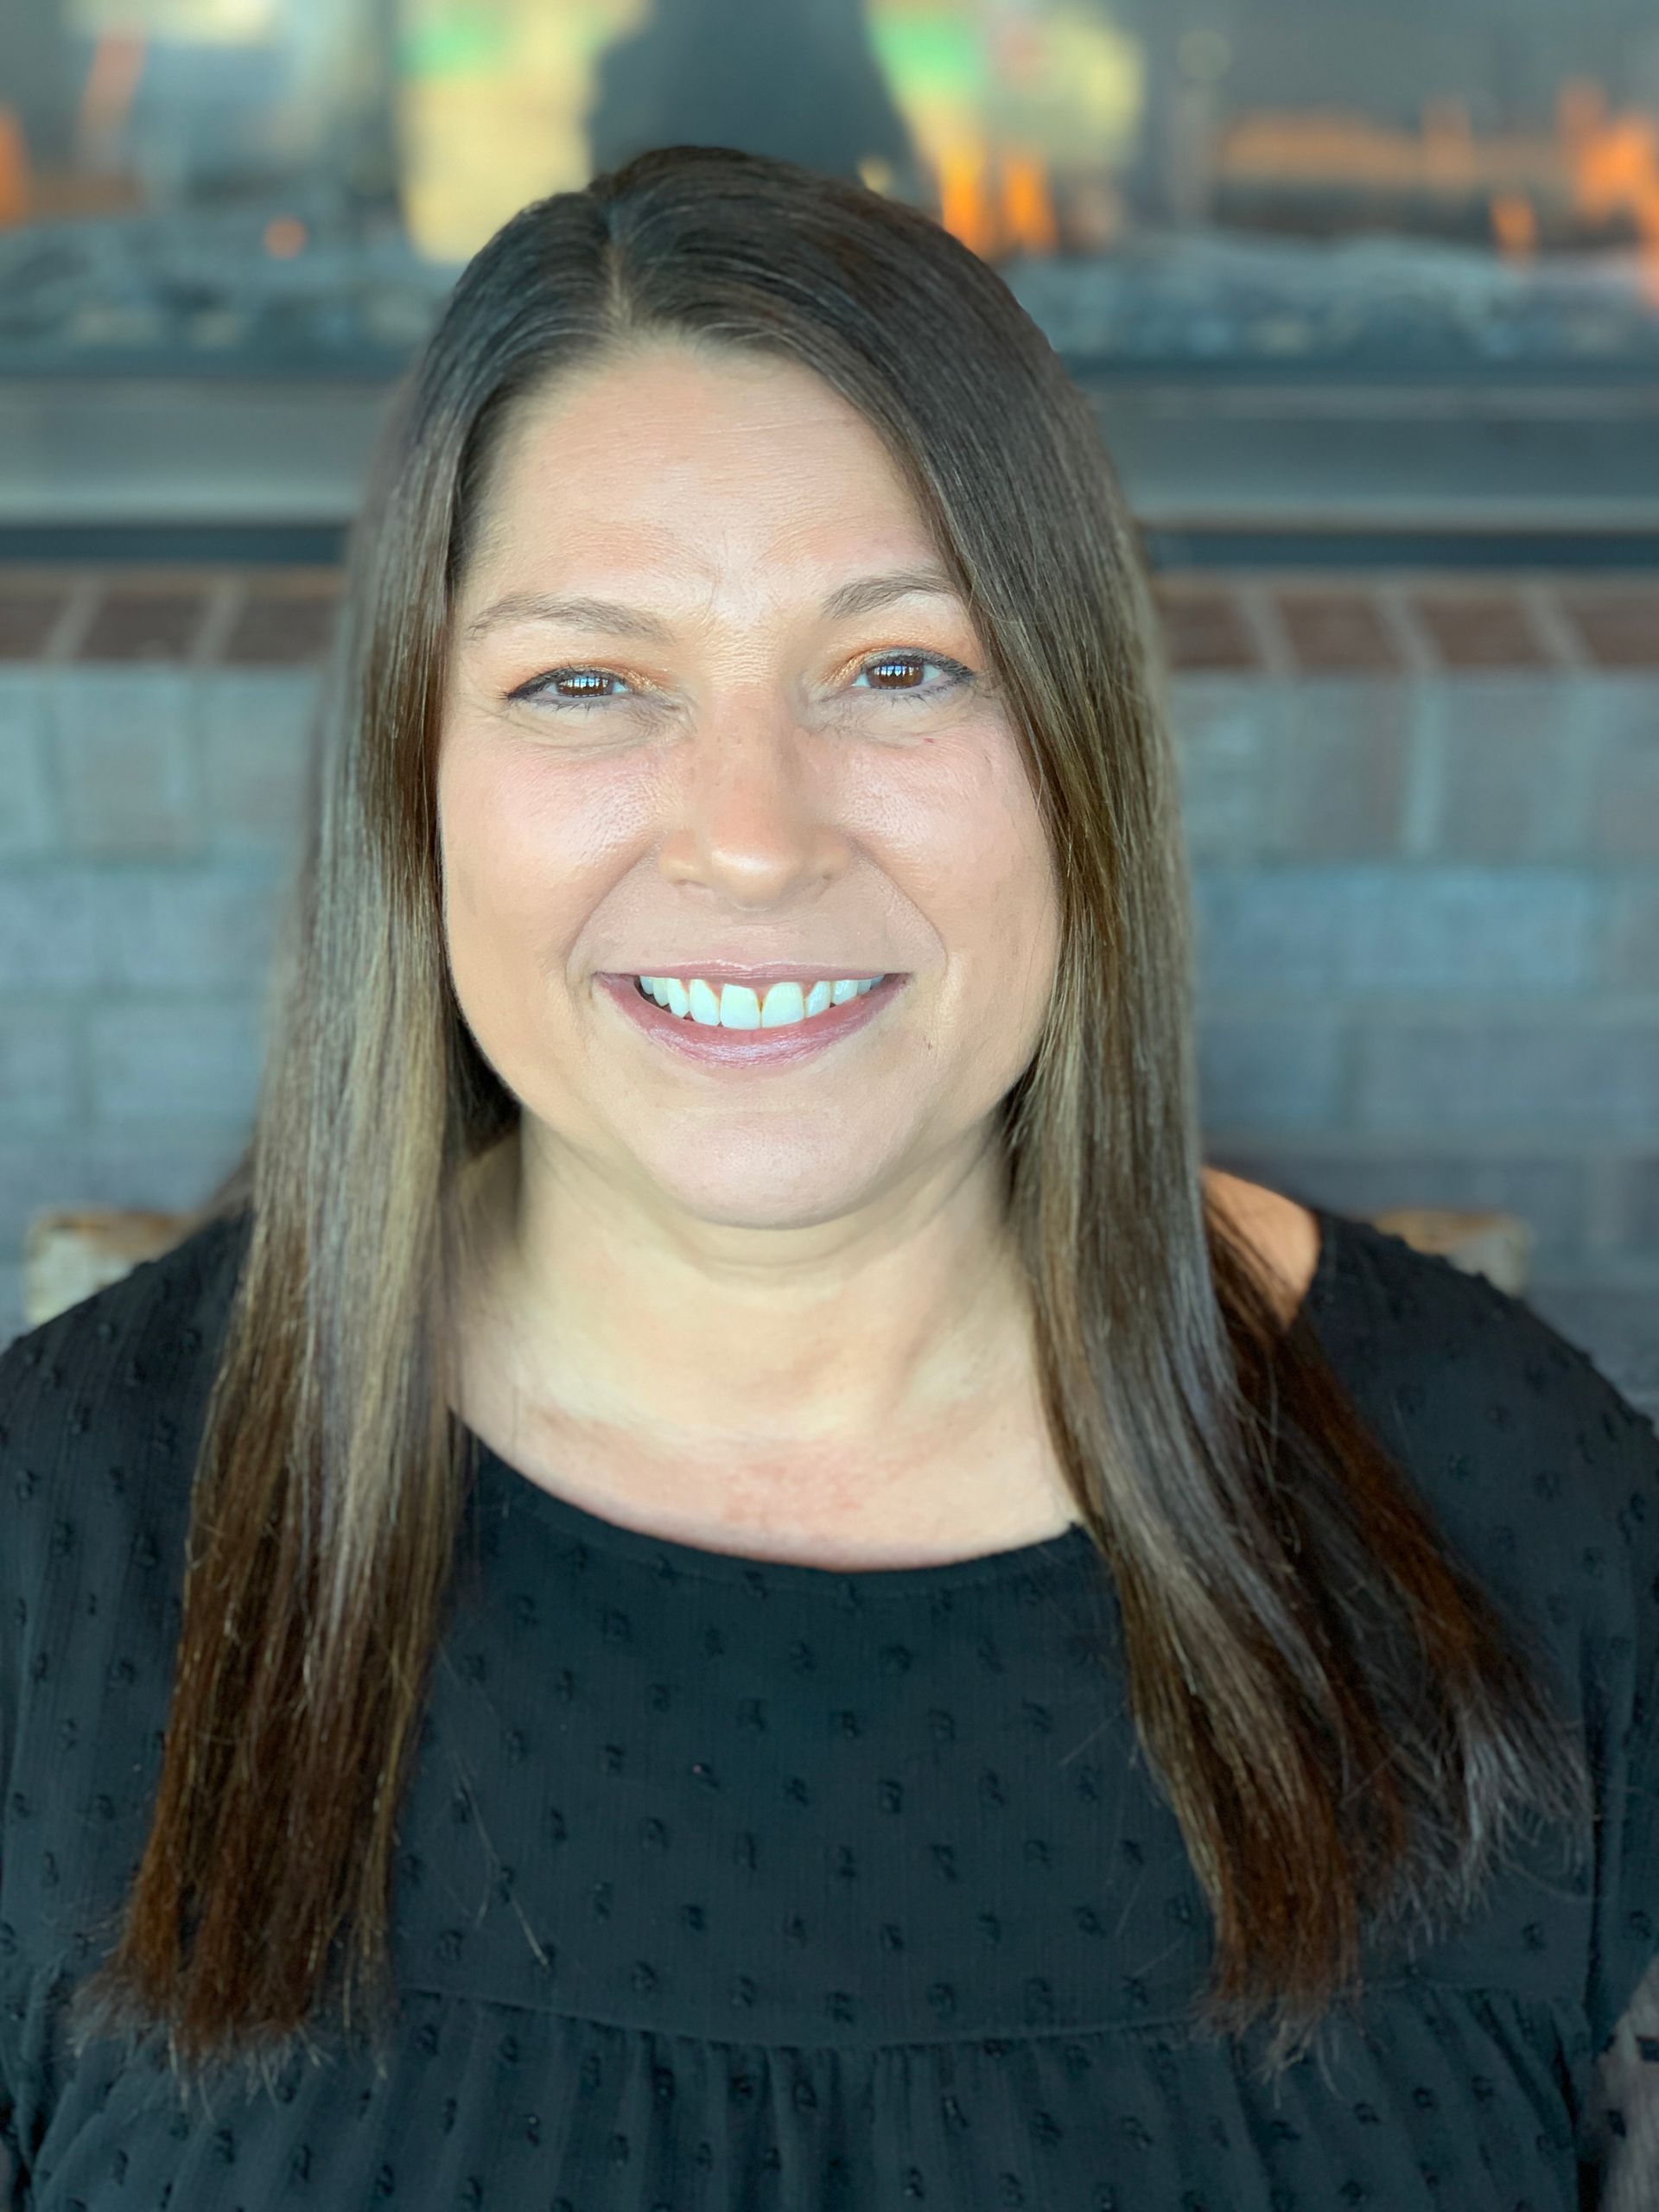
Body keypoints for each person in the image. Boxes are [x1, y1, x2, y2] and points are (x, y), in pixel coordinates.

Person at [2, 143, 1656, 2212]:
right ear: (417, 787)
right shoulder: (47, 1547)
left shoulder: (1521, 1513)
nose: (754, 837)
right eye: (585, 681)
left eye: (901, 667)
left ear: (1082, 748)